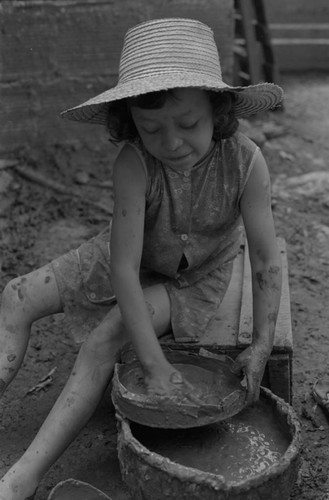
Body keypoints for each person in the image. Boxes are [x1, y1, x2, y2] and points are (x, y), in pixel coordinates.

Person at [0, 18, 283, 500]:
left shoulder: (246, 162)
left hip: (193, 279)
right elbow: (123, 268)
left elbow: (264, 256)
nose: (170, 142)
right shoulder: (135, 162)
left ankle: (22, 478)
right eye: (151, 128)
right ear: (132, 122)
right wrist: (153, 363)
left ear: (217, 109)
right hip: (133, 253)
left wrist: (261, 343)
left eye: (188, 124)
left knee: (101, 342)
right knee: (15, 295)